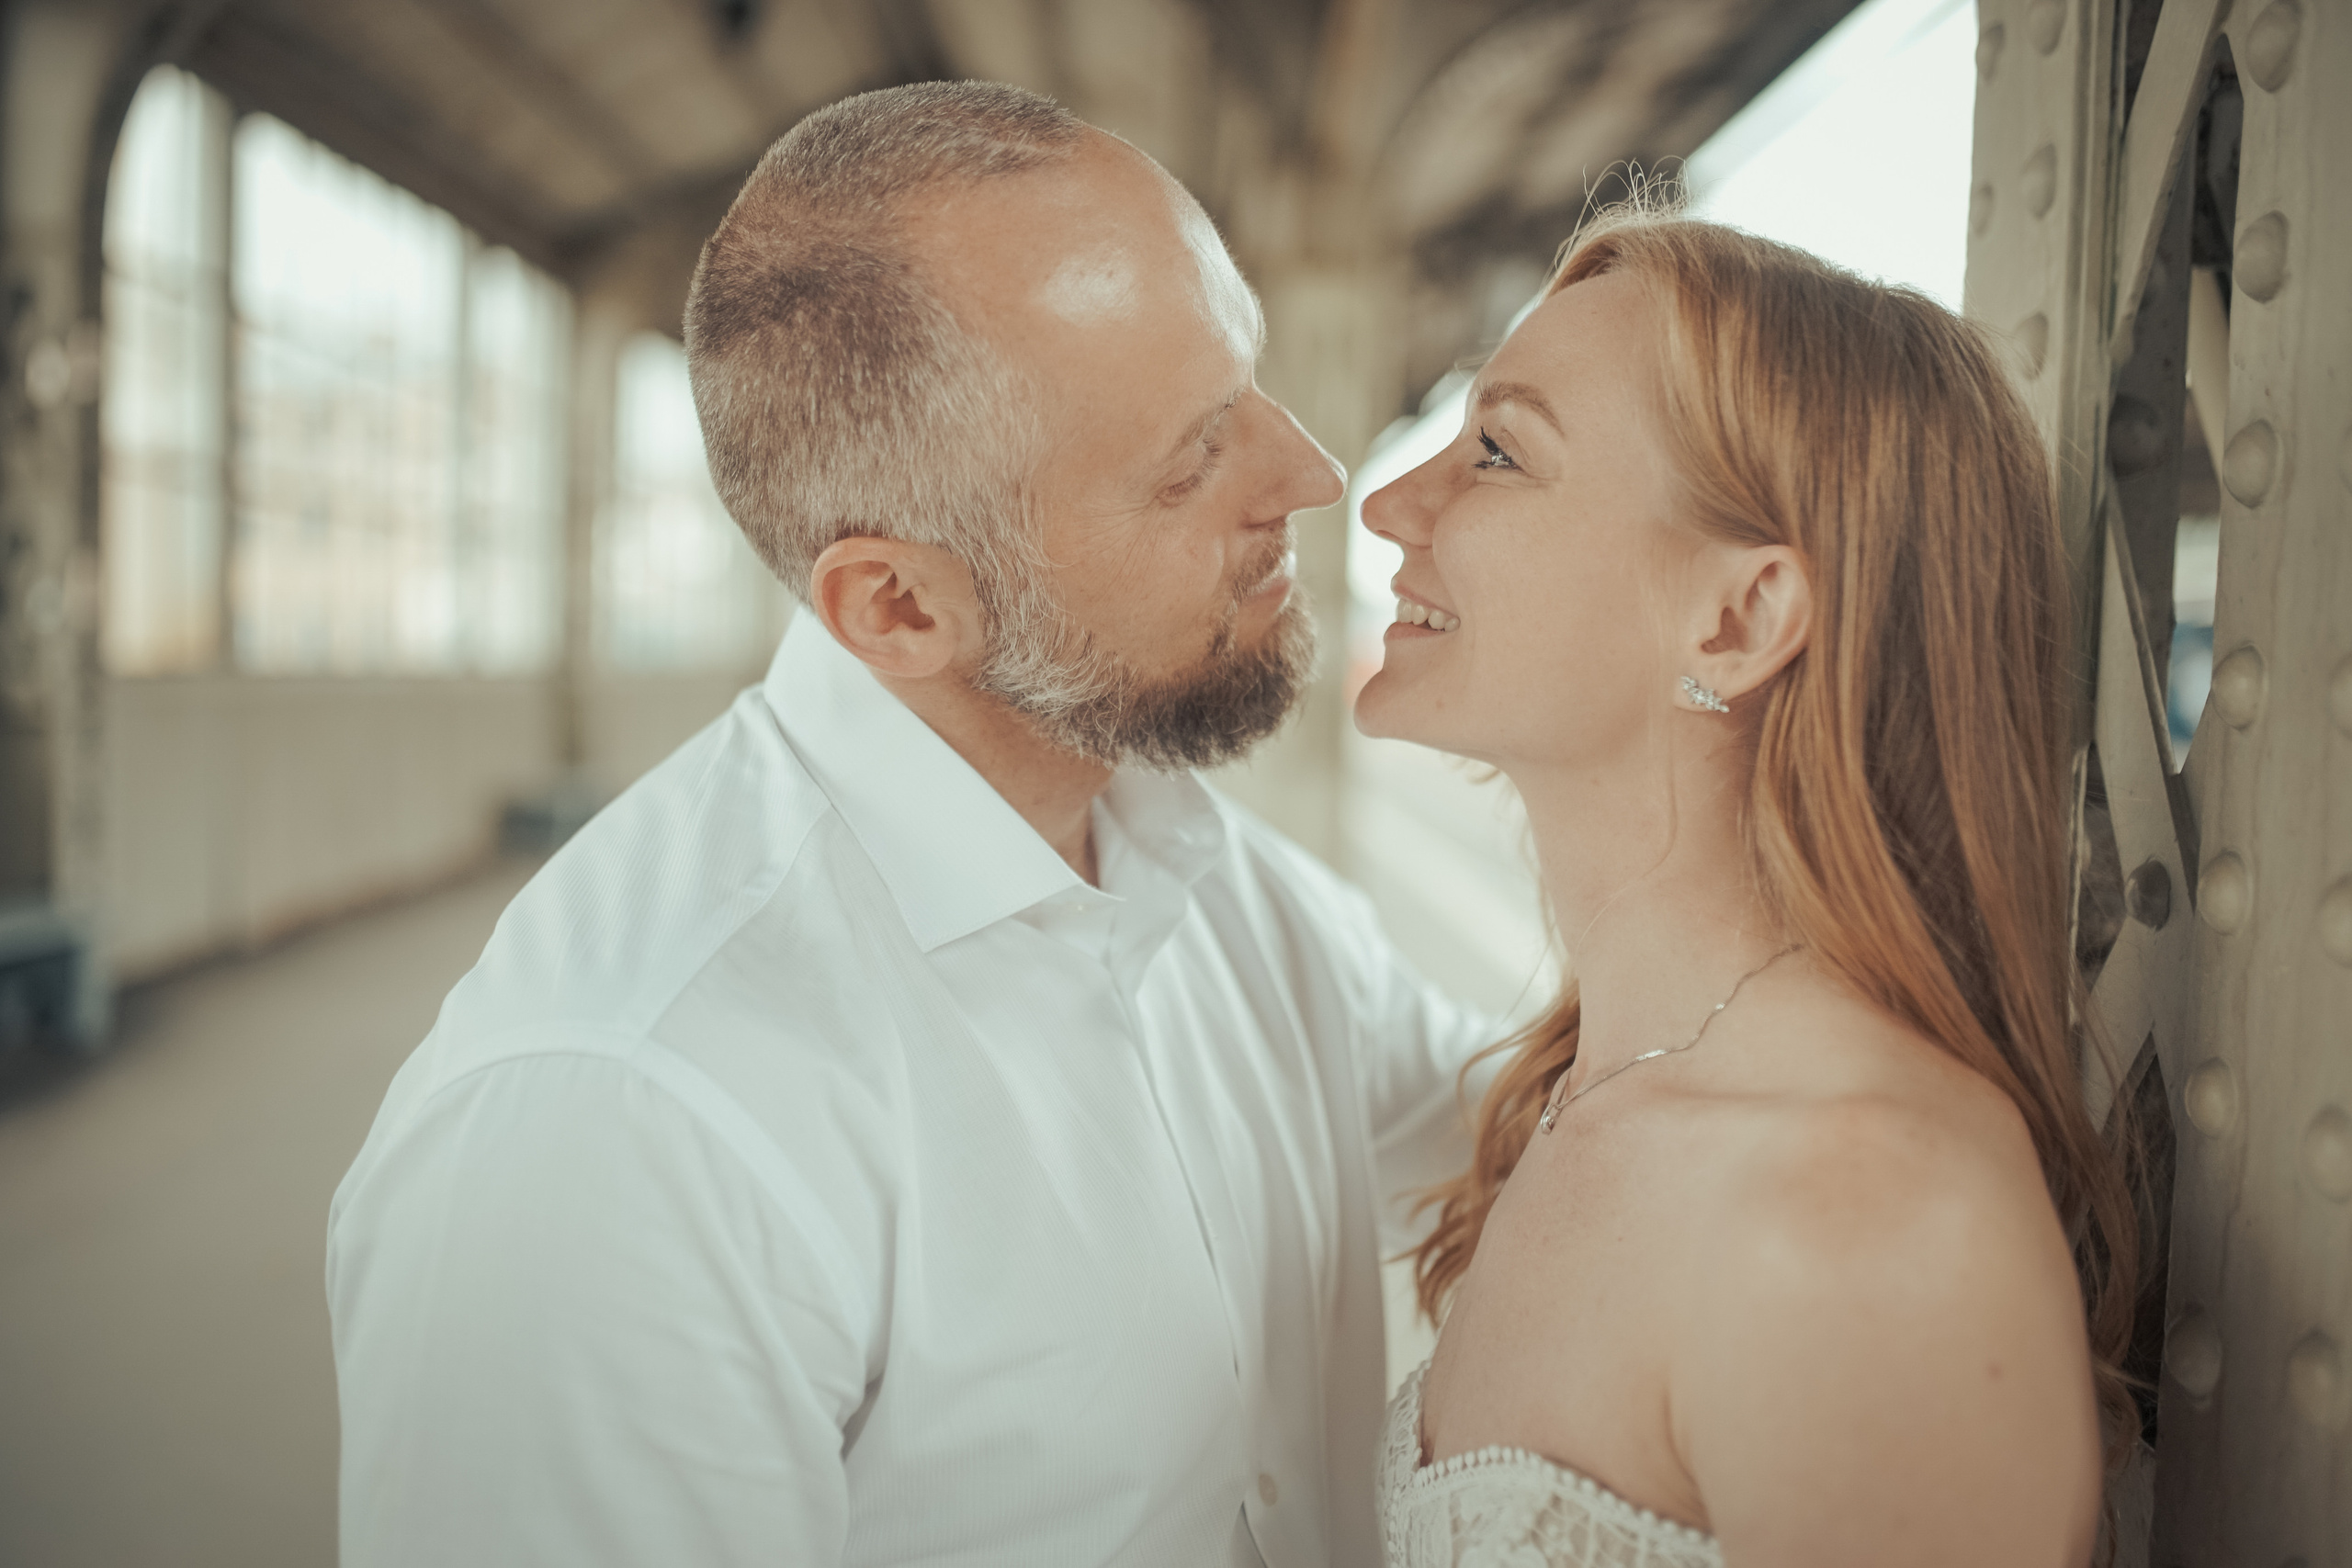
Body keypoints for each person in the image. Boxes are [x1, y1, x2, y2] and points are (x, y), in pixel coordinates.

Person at [326, 83, 1493, 1568]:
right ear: (899, 605)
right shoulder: (619, 1120)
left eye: (1247, 382)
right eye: (1192, 459)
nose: (1314, 478)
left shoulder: (1212, 877)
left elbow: (1533, 1131)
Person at [1358, 207, 2139, 1567]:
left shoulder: (1872, 1223)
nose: (1389, 504)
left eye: (1498, 452)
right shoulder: (1576, 1094)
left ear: (1739, 620)